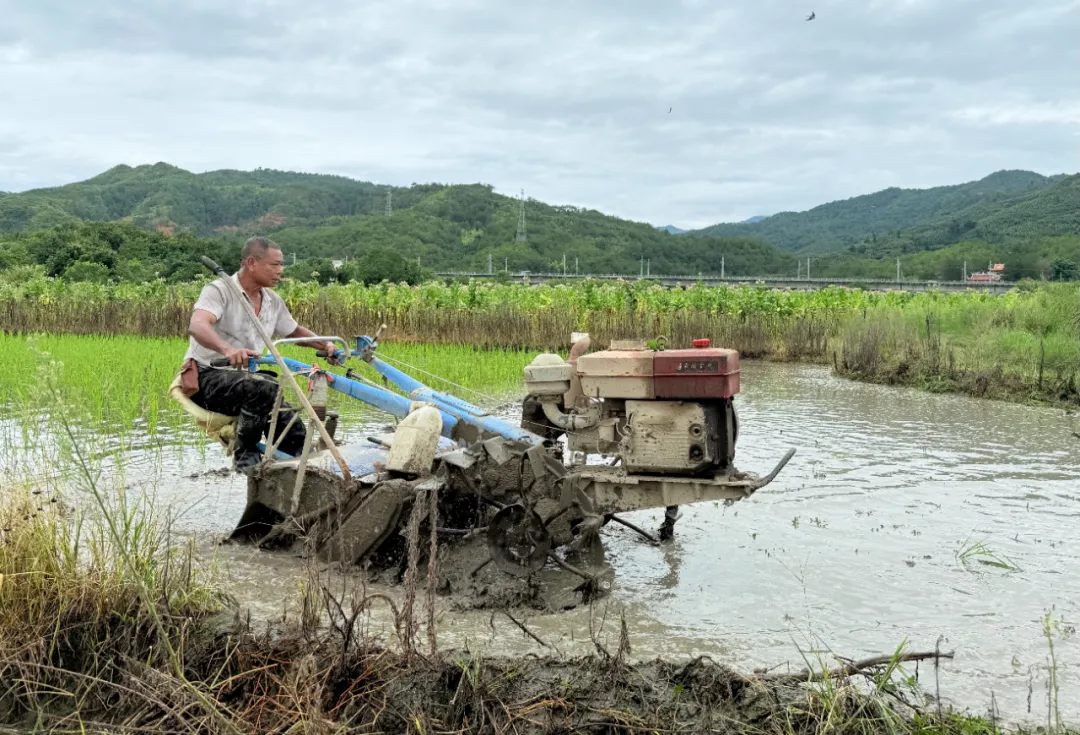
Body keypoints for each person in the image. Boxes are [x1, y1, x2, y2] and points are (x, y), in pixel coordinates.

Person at [177, 237, 340, 473]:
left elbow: (294, 331)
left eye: (281, 265)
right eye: (274, 265)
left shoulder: (273, 301)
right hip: (209, 377)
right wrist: (228, 350)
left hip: (251, 383)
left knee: (293, 428)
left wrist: (326, 345)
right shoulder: (219, 291)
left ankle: (295, 472)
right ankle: (245, 455)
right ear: (252, 263)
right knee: (264, 386)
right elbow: (198, 325)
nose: (280, 271)